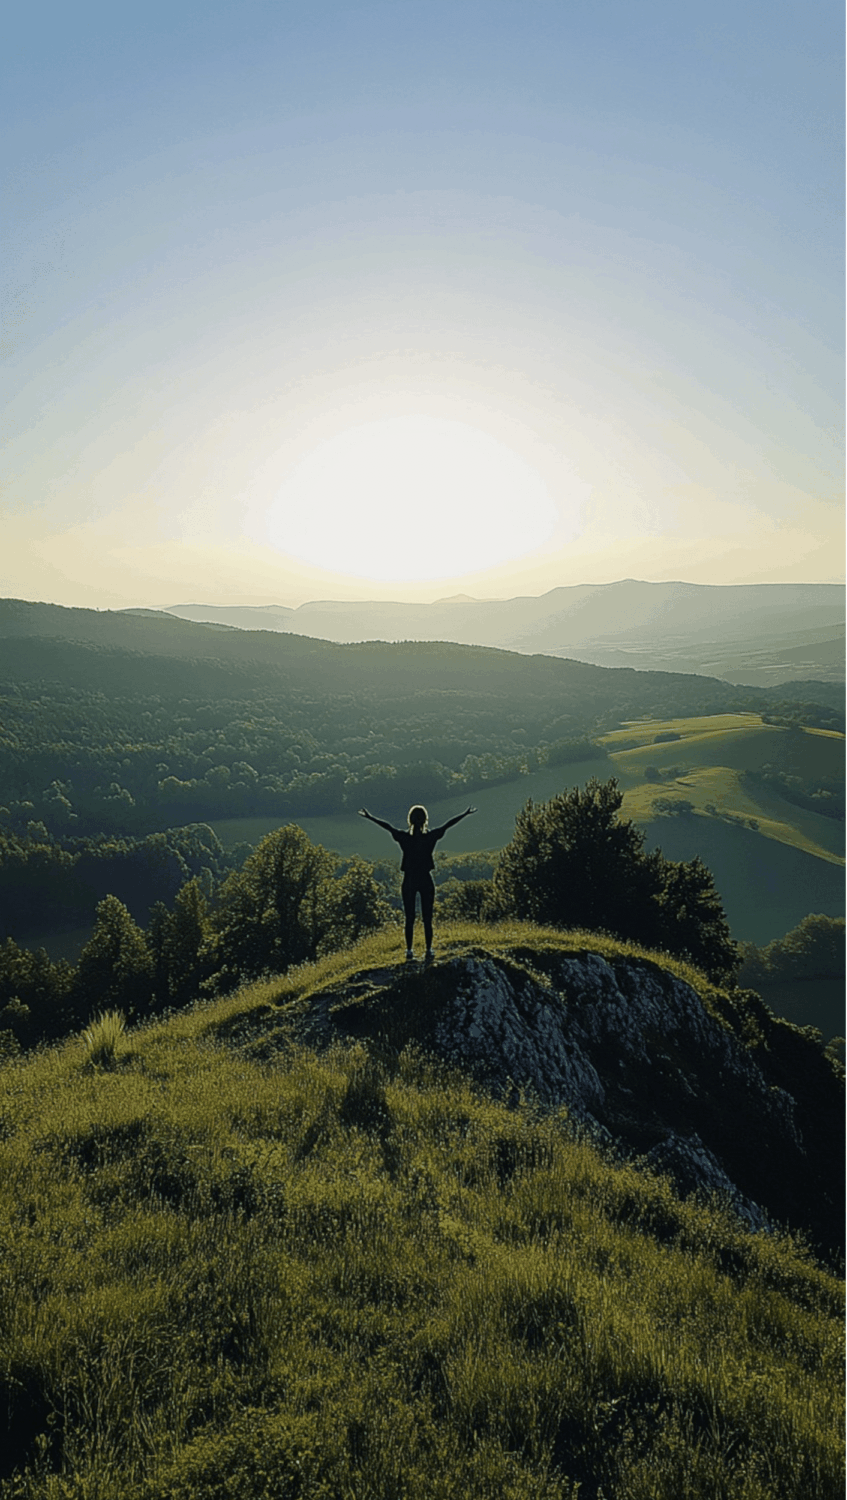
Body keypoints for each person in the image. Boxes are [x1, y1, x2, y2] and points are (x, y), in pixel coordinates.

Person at [359, 803, 477, 960]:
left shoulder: (404, 838)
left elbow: (388, 827)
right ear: (425, 820)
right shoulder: (430, 837)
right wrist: (464, 814)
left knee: (410, 918)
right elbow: (447, 825)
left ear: (410, 820)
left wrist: (370, 817)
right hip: (425, 879)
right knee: (428, 918)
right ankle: (428, 950)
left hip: (409, 879)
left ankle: (409, 951)